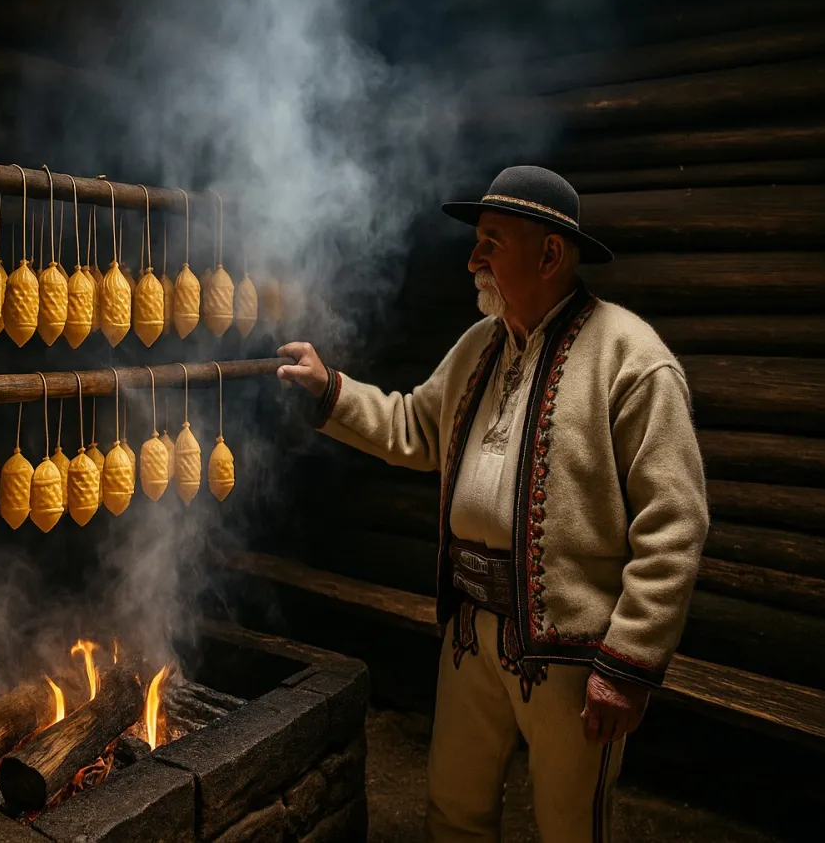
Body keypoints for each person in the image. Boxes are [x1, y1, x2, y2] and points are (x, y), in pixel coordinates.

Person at [277, 166, 708, 843]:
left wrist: (628, 662)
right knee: (454, 809)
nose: (473, 257)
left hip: (571, 651)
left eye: (491, 241)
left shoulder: (632, 360)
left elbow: (675, 521)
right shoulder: (480, 345)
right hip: (471, 630)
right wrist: (331, 388)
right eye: (476, 239)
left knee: (571, 826)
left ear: (549, 254)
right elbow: (415, 426)